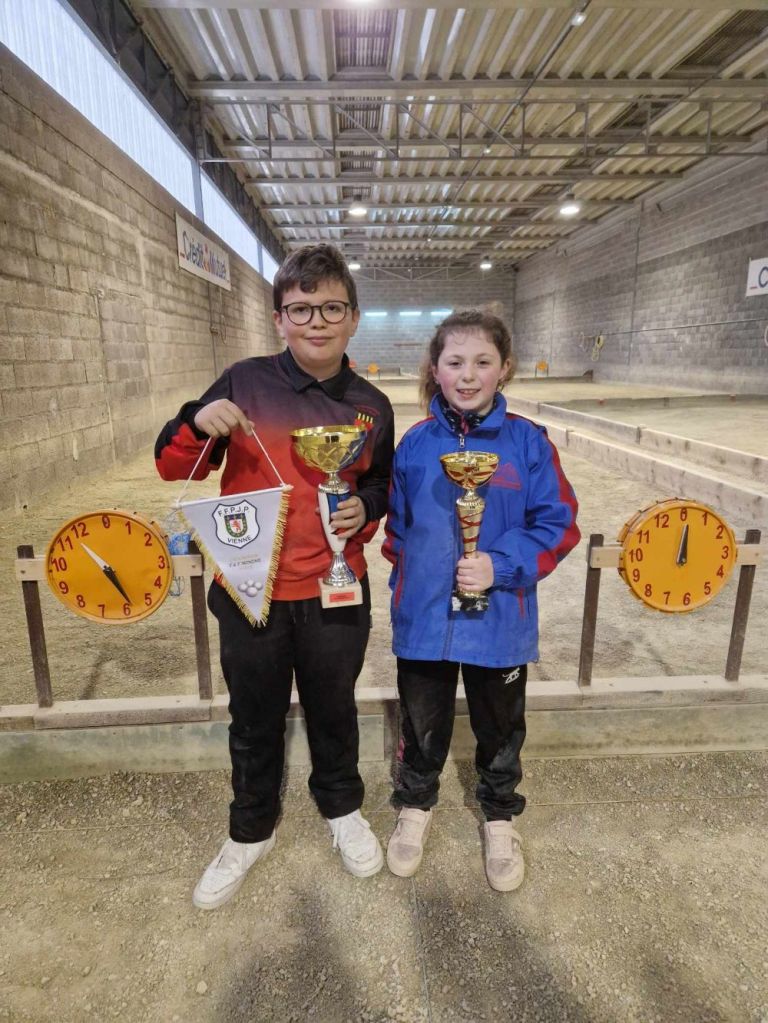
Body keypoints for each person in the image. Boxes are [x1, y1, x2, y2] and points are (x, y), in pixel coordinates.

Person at [155, 244, 394, 908]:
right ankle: (250, 828)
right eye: (301, 308)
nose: (317, 321)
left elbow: (381, 482)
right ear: (279, 318)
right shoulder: (243, 381)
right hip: (249, 591)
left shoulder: (372, 404)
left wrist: (365, 506)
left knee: (334, 706)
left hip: (335, 588)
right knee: (254, 715)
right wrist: (195, 419)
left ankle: (342, 808)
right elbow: (172, 466)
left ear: (353, 318)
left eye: (332, 308)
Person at [382, 309, 580, 891]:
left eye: (482, 362)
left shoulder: (528, 443)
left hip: (499, 620)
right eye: (455, 362)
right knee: (422, 721)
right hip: (425, 620)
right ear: (436, 369)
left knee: (500, 725)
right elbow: (398, 530)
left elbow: (559, 523)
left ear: (504, 368)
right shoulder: (416, 444)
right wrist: (412, 585)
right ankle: (415, 804)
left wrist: (500, 564)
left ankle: (498, 815)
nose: (468, 375)